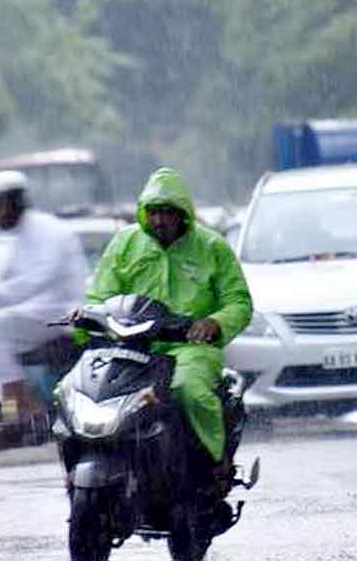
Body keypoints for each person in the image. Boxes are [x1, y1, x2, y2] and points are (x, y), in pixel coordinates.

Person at [84, 166, 253, 471]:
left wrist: (214, 323)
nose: (160, 220)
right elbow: (99, 295)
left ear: (183, 214)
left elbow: (238, 301)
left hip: (190, 350)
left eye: (167, 212)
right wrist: (86, 321)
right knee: (73, 393)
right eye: (153, 212)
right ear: (143, 213)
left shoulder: (212, 247)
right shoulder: (124, 244)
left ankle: (212, 466)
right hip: (130, 350)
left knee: (190, 392)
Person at [0, 169, 88, 422]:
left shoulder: (50, 231)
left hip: (61, 311)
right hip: (32, 311)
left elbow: (38, 279)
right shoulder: (17, 235)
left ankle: (24, 402)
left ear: (15, 202)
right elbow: (6, 279)